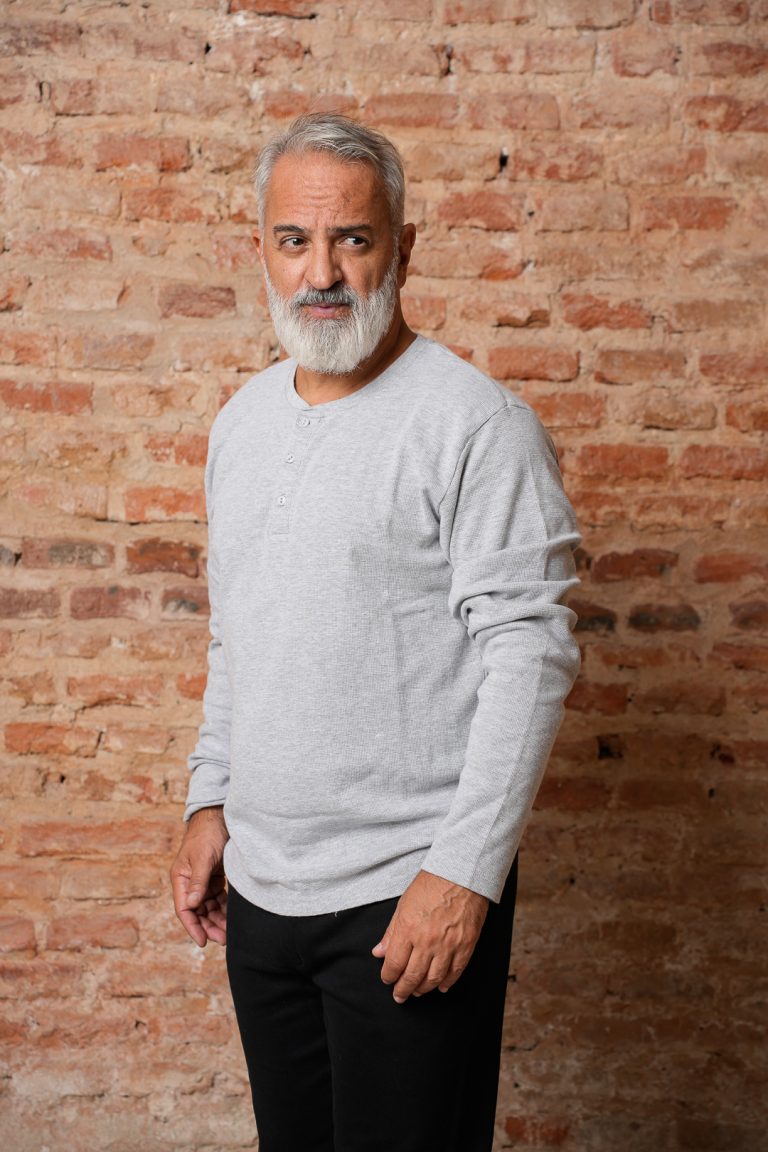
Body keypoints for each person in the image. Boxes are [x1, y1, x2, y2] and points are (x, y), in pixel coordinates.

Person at [170, 112, 581, 1152]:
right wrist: (210, 795)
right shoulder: (240, 424)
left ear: (403, 248)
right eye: (295, 240)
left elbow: (529, 657)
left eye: (353, 239)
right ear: (260, 248)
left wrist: (465, 875)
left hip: (408, 899)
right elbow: (239, 633)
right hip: (263, 898)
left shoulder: (476, 425)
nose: (322, 273)